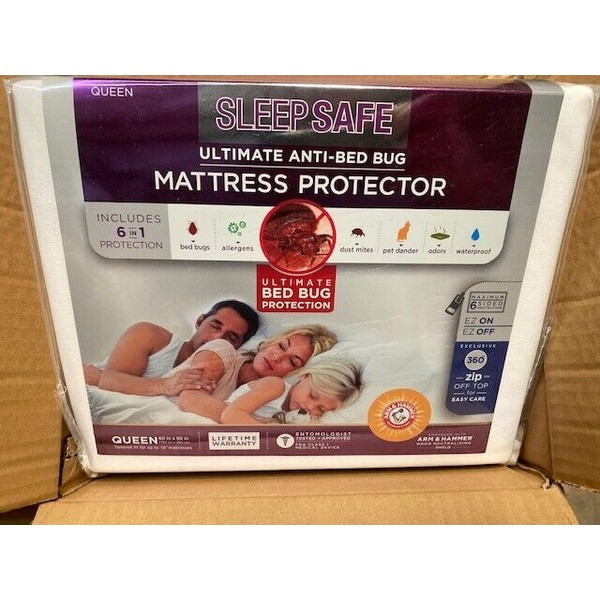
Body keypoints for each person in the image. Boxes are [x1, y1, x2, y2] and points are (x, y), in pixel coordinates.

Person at [83, 299, 260, 397]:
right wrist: (167, 385)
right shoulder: (149, 334)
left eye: (230, 338)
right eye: (215, 326)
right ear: (200, 321)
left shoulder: (221, 377)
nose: (217, 338)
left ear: (238, 347)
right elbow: (110, 383)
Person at [173, 324, 338, 422]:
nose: (277, 357)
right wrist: (256, 428)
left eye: (292, 361)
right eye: (281, 346)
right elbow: (189, 399)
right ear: (270, 342)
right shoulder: (223, 351)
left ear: (298, 373)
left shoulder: (279, 403)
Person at [220, 357, 362, 425]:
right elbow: (230, 415)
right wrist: (273, 437)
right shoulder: (276, 386)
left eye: (321, 409)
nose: (310, 407)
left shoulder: (296, 417)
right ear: (304, 376)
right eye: (312, 395)